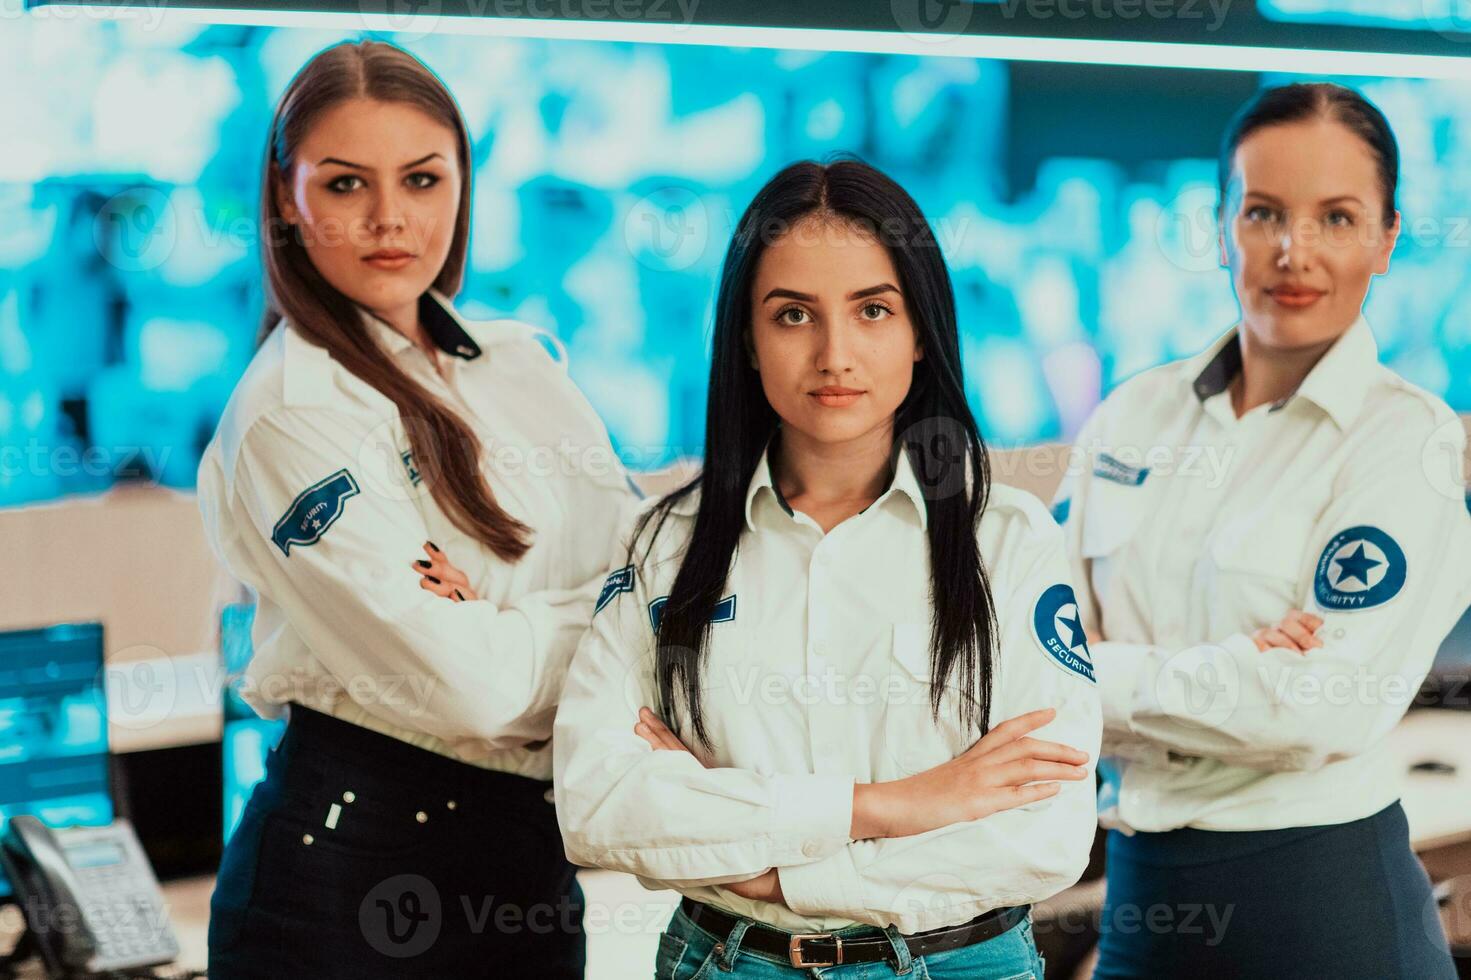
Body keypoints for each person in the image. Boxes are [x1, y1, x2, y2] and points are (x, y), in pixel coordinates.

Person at [549, 158, 1102, 978]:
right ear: (746, 336)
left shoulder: (1006, 540)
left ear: (921, 332)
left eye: (872, 310)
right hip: (725, 963)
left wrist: (777, 871)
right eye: (793, 314)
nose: (833, 353)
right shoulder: (666, 544)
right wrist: (890, 806)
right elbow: (599, 807)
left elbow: (1041, 835)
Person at [196, 40, 633, 977]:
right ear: (285, 197)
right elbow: (472, 690)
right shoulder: (290, 416)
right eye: (346, 185)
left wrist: (503, 622)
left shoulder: (522, 364)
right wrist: (584, 620)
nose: (391, 219)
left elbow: (662, 598)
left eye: (424, 179)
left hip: (532, 872)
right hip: (347, 885)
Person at [1052, 82, 1471, 978]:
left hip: (1323, 909)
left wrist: (1100, 678)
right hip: (1140, 906)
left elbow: (1317, 707)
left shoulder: (1408, 443)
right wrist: (1238, 668)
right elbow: (1026, 658)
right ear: (1219, 228)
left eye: (1337, 217)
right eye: (1262, 212)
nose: (1294, 251)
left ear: (1387, 238)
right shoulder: (1130, 418)